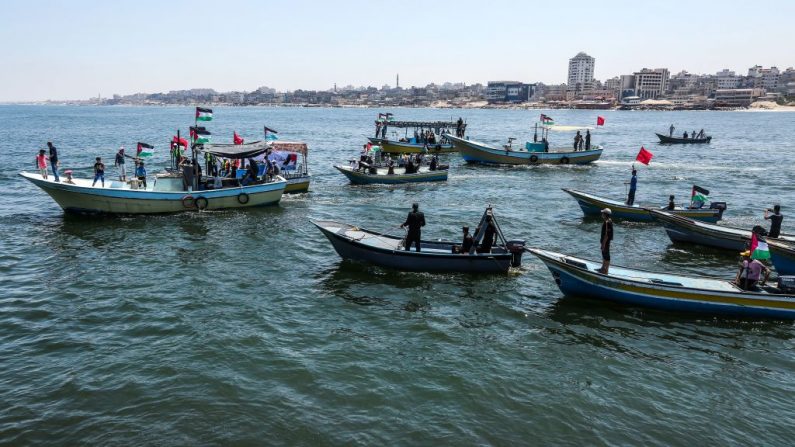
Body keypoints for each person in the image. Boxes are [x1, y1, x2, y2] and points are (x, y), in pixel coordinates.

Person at [598, 208, 613, 274]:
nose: (602, 214)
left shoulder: (607, 222)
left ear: (605, 214)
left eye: (603, 213)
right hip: (604, 241)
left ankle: (606, 270)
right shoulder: (609, 221)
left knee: (606, 256)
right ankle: (602, 268)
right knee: (604, 255)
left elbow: (607, 235)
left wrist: (603, 244)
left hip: (606, 242)